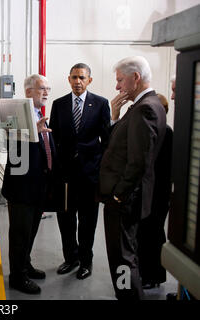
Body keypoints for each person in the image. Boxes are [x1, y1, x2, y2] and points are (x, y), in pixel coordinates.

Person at [99, 56, 167, 300]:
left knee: (123, 260)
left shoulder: (144, 109)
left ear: (135, 78)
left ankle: (128, 297)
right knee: (126, 257)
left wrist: (118, 195)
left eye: (120, 80)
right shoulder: (147, 105)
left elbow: (138, 161)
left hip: (124, 201)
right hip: (128, 198)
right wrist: (115, 117)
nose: (117, 87)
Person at [49, 63, 110, 280]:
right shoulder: (59, 104)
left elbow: (106, 140)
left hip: (89, 176)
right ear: (68, 79)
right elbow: (53, 139)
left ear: (89, 80)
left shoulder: (101, 104)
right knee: (65, 219)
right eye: (74, 77)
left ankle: (86, 261)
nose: (77, 81)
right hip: (65, 175)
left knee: (87, 221)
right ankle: (70, 258)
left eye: (82, 77)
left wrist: (97, 164)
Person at [1, 74, 57, 294]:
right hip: (21, 188)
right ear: (28, 91)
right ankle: (17, 277)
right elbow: (13, 146)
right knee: (20, 234)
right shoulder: (15, 114)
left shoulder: (39, 115)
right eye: (42, 88)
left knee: (31, 231)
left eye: (48, 89)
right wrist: (33, 130)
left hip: (37, 187)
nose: (46, 93)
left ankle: (25, 264)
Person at [136, 92, 173, 289]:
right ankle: (146, 274)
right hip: (148, 192)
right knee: (144, 234)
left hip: (158, 195)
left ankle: (154, 276)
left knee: (154, 234)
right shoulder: (154, 131)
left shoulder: (166, 132)